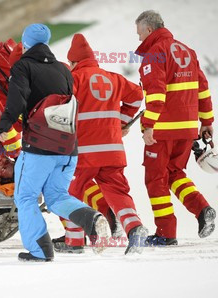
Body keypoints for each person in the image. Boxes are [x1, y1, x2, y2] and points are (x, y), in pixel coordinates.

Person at [0, 23, 111, 262]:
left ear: (25, 44)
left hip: (39, 147)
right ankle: (92, 219)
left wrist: (3, 127)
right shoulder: (64, 69)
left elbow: (16, 100)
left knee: (25, 197)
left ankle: (40, 251)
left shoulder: (23, 66)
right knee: (57, 196)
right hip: (68, 147)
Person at [55, 33, 148, 255]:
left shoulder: (73, 79)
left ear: (74, 62)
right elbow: (137, 96)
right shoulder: (113, 78)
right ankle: (134, 228)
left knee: (71, 192)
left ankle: (74, 241)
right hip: (113, 150)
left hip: (84, 151)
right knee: (118, 192)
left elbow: (61, 107)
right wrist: (121, 122)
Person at [135, 10, 215, 245]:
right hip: (188, 127)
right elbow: (203, 88)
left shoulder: (155, 54)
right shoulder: (187, 51)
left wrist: (148, 125)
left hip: (164, 128)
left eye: (139, 33)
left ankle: (166, 233)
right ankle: (202, 209)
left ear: (149, 30)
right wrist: (206, 122)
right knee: (174, 173)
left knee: (155, 178)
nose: (139, 39)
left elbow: (157, 92)